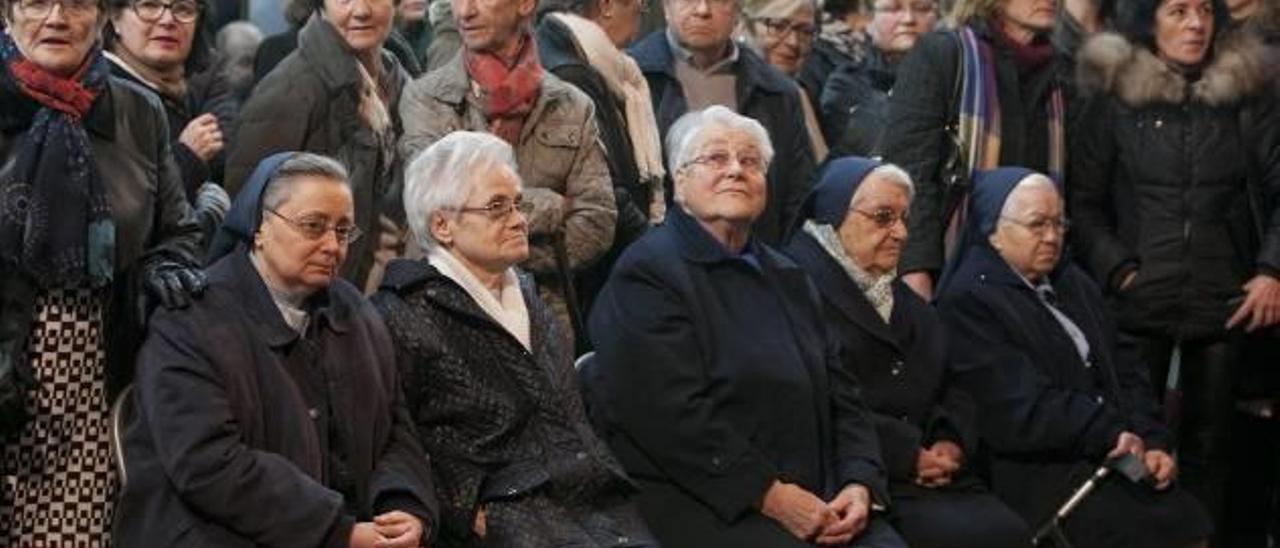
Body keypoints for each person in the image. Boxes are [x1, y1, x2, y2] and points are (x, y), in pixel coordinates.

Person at [586, 106, 906, 547]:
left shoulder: (789, 275)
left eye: (751, 161)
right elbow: (671, 417)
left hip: (819, 492)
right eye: (716, 158)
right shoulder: (647, 275)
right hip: (710, 495)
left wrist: (860, 481)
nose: (736, 170)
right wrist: (769, 495)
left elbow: (843, 396)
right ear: (680, 182)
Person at [113, 152, 438, 547]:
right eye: (313, 226)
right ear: (259, 226)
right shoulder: (191, 318)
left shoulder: (353, 310)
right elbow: (208, 463)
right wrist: (339, 532)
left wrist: (402, 507)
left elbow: (394, 430)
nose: (332, 246)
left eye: (343, 230)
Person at [372, 132, 655, 546]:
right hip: (506, 518)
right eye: (497, 207)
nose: (521, 219)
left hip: (592, 498)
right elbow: (399, 439)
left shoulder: (527, 293)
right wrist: (466, 509)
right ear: (442, 225)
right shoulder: (402, 312)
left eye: (517, 203)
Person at [1070, 0, 1280, 540]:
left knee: (1214, 446)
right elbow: (1084, 202)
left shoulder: (1249, 93)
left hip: (1225, 297)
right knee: (1137, 440)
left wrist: (1271, 270)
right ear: (1149, 19)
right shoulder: (1115, 95)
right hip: (1140, 297)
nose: (1194, 23)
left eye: (1203, 11)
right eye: (1177, 10)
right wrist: (1119, 270)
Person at [0, 0, 205, 542]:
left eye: (78, 3)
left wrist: (166, 268)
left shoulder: (139, 113)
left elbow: (177, 230)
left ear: (103, 16)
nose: (57, 17)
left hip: (96, 376)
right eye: (37, 2)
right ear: (6, 13)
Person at [935, 167, 1212, 548]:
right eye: (1037, 225)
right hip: (1037, 465)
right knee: (1138, 530)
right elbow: (1017, 408)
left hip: (1111, 448)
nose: (1052, 238)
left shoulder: (1071, 281)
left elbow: (1126, 367)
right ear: (993, 232)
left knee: (1189, 519)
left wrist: (1152, 439)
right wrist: (1109, 429)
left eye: (1058, 224)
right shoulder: (969, 301)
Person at [781, 157, 1032, 548]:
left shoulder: (897, 295)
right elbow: (814, 401)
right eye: (883, 217)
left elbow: (952, 381)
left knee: (1011, 529)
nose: (899, 233)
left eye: (903, 218)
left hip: (933, 470)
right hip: (859, 477)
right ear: (833, 217)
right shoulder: (795, 286)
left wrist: (950, 439)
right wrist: (905, 452)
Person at [399, 0, 617, 347]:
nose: (464, 12)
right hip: (444, 312)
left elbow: (597, 222)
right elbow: (434, 210)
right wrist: (549, 206)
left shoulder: (572, 105)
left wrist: (495, 245)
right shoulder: (426, 98)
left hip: (545, 321)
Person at [881, 0, 1067, 301]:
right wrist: (916, 270)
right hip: (949, 272)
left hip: (1034, 282)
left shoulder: (1061, 73)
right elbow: (908, 174)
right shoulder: (942, 55)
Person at [229, 0, 408, 292]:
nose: (361, 10)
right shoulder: (290, 90)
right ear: (320, 5)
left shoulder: (396, 76)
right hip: (317, 298)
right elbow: (250, 218)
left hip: (380, 290)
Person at [628, 0, 816, 245]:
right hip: (658, 258)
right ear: (666, 6)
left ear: (738, 11)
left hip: (753, 259)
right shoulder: (631, 78)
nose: (703, 10)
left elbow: (797, 196)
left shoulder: (776, 92)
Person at [534, 0, 665, 349]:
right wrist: (655, 249)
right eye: (638, 2)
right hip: (591, 277)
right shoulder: (572, 73)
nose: (641, 10)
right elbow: (606, 186)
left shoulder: (601, 68)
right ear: (606, 5)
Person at [104, 0, 235, 246]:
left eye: (183, 9)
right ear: (114, 18)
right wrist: (187, 156)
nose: (167, 20)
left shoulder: (178, 90)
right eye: (150, 6)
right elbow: (124, 214)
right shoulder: (103, 96)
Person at [820, 0, 938, 157]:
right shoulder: (846, 86)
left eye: (922, 9)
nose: (909, 19)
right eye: (893, 9)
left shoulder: (961, 81)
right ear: (868, 18)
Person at [738, 0, 829, 162]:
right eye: (778, 26)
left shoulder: (806, 92)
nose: (793, 42)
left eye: (805, 31)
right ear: (743, 24)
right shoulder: (731, 90)